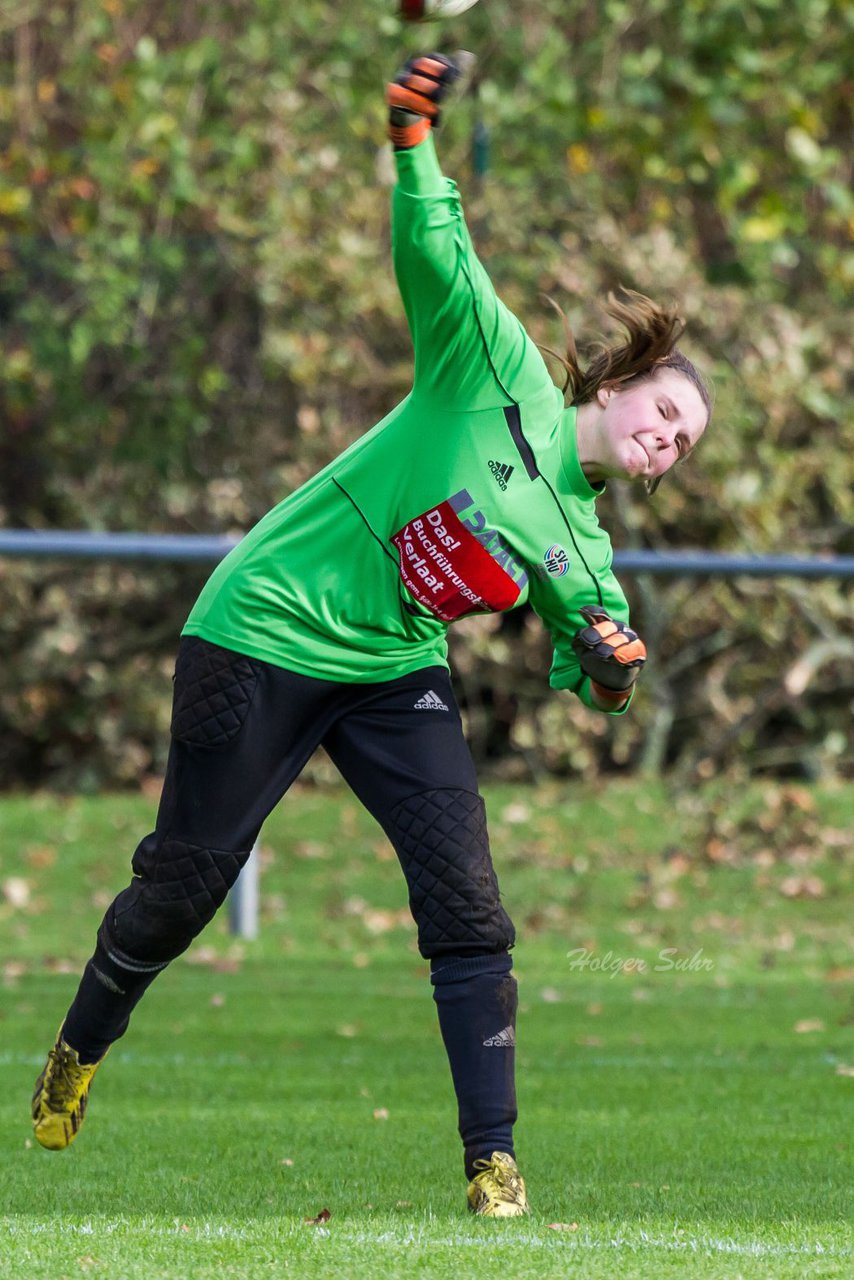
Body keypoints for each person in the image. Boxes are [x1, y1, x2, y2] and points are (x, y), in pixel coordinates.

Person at [32, 52, 711, 1217]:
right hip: (264, 623)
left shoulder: (585, 548)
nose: (669, 442)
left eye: (685, 444)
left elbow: (591, 666)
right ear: (618, 381)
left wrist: (607, 670)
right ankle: (77, 1048)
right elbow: (435, 249)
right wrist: (412, 137)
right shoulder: (491, 372)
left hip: (390, 668)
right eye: (665, 413)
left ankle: (490, 1160)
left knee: (467, 902)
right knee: (184, 884)